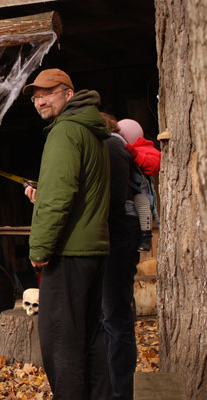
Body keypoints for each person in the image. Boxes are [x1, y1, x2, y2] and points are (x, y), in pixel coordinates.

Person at [22, 68, 113, 399]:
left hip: (69, 251)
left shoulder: (65, 132)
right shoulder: (94, 131)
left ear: (68, 94)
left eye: (48, 93)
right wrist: (42, 193)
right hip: (94, 251)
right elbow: (79, 190)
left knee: (61, 345)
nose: (40, 101)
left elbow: (60, 197)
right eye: (35, 97)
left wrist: (39, 249)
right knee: (91, 338)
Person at [100, 112, 141, 400]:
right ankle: (110, 387)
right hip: (115, 237)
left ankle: (120, 392)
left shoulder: (113, 146)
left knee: (115, 316)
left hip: (117, 239)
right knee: (108, 315)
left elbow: (114, 201)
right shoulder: (111, 146)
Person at [117, 118, 160, 251]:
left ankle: (146, 236)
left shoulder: (146, 148)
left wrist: (135, 155)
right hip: (125, 190)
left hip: (140, 190)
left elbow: (153, 165)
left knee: (142, 203)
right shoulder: (117, 148)